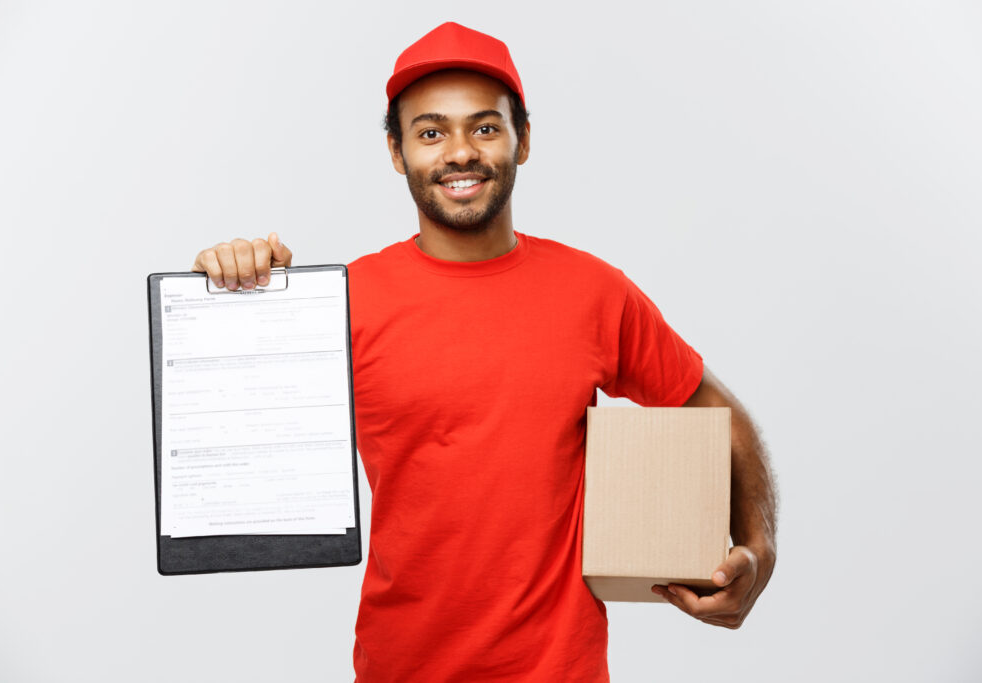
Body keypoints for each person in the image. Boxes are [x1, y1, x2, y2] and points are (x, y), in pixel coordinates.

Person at [191, 22, 777, 682]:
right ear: (396, 149)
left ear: (522, 140)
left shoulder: (591, 292)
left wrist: (759, 549)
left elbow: (718, 415)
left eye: (486, 128)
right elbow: (238, 423)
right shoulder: (344, 301)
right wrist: (241, 294)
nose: (460, 152)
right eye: (431, 131)